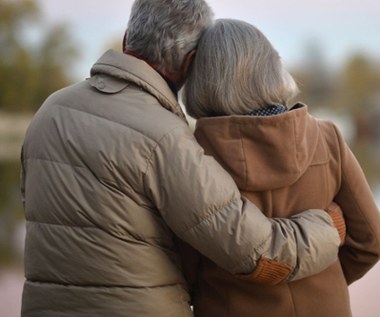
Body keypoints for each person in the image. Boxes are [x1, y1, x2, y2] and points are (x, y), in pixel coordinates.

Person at [20, 2, 345, 317]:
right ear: (191, 61)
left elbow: (32, 206)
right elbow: (259, 254)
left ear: (126, 40)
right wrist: (330, 226)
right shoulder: (164, 136)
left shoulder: (51, 110)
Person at [181, 18, 380, 317]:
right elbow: (371, 241)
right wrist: (326, 283)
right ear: (270, 66)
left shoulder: (192, 157)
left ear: (201, 79)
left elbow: (185, 269)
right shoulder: (329, 139)